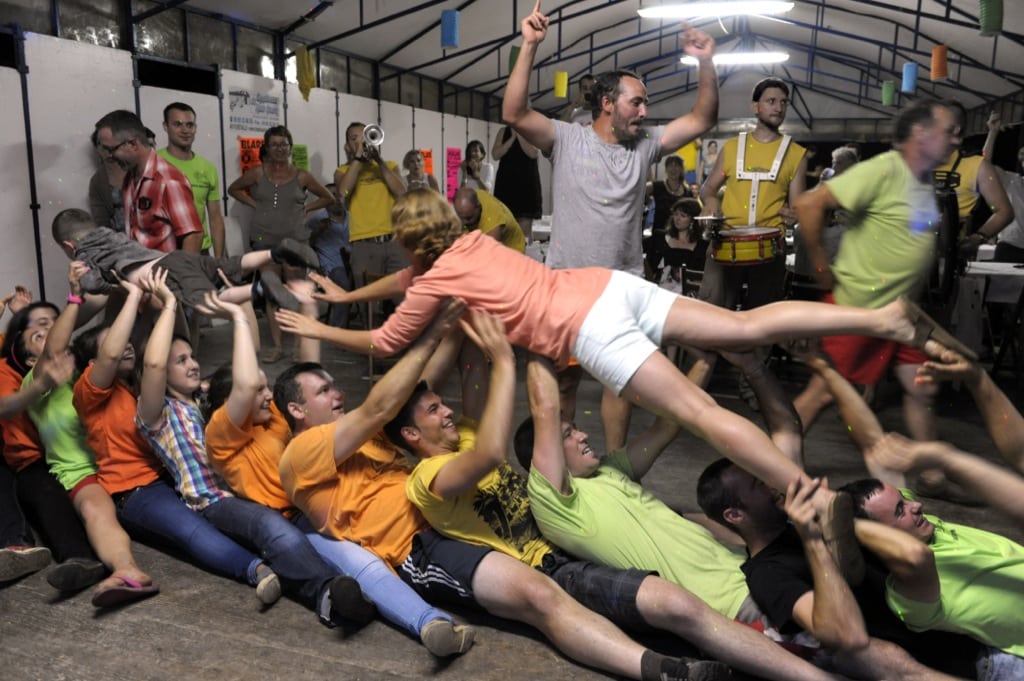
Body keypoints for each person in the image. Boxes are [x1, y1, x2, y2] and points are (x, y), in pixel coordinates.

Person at [278, 188, 972, 525]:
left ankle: (803, 490)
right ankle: (878, 316)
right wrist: (348, 291)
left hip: (586, 329)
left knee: (699, 411)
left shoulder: (436, 277)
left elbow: (385, 341)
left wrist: (323, 323)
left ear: (410, 240)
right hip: (605, 285)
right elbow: (406, 279)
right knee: (745, 325)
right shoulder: (473, 241)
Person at [277, 303, 728, 681]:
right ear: (297, 410)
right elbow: (384, 405)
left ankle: (708, 630)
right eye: (324, 391)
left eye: (334, 386)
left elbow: (421, 390)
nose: (338, 394)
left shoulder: (372, 437)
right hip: (420, 546)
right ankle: (662, 670)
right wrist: (439, 327)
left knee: (592, 575)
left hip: (459, 518)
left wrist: (463, 318)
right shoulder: (301, 453)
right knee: (540, 596)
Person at [388, 315, 847, 681]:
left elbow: (473, 374)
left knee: (694, 526)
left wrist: (465, 313)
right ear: (411, 434)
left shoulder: (599, 469)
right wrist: (525, 334)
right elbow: (523, 427)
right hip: (543, 568)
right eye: (433, 409)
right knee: (664, 601)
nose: (447, 410)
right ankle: (664, 667)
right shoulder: (431, 477)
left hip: (590, 556)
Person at [200, 294, 474, 657]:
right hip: (293, 517)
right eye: (258, 390)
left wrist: (309, 310)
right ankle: (412, 618)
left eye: (268, 389)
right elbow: (249, 383)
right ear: (231, 402)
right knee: (351, 562)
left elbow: (305, 379)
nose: (265, 393)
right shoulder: (222, 437)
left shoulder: (275, 418)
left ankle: (365, 603)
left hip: (318, 499)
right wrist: (237, 314)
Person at [502, 2, 719, 452]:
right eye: (636, 102)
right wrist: (529, 45)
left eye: (645, 103)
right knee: (564, 383)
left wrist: (705, 62)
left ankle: (616, 469)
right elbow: (515, 113)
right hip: (566, 287)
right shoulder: (567, 139)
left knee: (620, 385)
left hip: (622, 287)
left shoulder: (647, 145)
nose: (644, 110)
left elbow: (703, 119)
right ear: (607, 104)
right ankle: (560, 463)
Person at [135, 268, 374, 628]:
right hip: (215, 501)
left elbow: (260, 372)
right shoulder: (156, 413)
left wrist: (245, 301)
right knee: (269, 525)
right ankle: (328, 595)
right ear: (160, 375)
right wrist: (169, 303)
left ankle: (362, 582)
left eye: (192, 356)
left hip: (249, 491)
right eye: (181, 361)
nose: (193, 364)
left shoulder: (209, 398)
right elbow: (154, 362)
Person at [70, 278, 281, 603]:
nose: (125, 345)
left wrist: (175, 298)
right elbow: (122, 358)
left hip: (172, 478)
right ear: (91, 365)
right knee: (192, 530)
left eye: (126, 340)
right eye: (116, 341)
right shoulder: (89, 395)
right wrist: (136, 295)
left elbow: (165, 354)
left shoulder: (141, 387)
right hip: (137, 490)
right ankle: (255, 569)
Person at [792, 99, 971, 458]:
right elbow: (809, 204)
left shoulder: (922, 179)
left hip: (901, 311)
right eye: (949, 131)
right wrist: (822, 268)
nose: (956, 140)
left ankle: (931, 472)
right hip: (861, 305)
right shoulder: (885, 169)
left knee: (922, 387)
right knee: (823, 392)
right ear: (921, 132)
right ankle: (764, 468)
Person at [21, 263, 160, 607]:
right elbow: (54, 349)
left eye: (50, 329)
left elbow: (113, 336)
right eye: (37, 337)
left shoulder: (93, 373)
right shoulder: (36, 385)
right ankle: (128, 571)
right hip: (84, 473)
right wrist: (73, 297)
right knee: (95, 510)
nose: (50, 336)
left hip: (128, 463)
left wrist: (125, 284)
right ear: (29, 362)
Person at [840, 474, 1024, 675]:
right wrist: (849, 525)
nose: (916, 505)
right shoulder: (909, 593)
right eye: (900, 511)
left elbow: (887, 468)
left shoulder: (923, 526)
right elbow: (918, 556)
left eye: (904, 498)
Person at [1, 302, 108, 592]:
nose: (47, 330)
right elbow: (5, 406)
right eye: (37, 329)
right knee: (41, 489)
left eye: (52, 323)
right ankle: (71, 556)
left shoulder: (78, 362)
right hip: (27, 458)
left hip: (81, 458)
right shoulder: (13, 370)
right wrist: (40, 384)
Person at [52, 208, 313, 314]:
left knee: (208, 302)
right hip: (177, 257)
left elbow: (94, 284)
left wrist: (92, 283)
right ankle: (275, 253)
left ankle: (260, 290)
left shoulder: (83, 254)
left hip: (163, 272)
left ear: (68, 245)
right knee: (232, 264)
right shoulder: (110, 233)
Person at [697, 77, 806, 330]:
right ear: (756, 107)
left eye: (783, 102)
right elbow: (708, 189)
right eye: (771, 101)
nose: (778, 107)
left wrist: (794, 215)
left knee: (763, 324)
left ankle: (757, 358)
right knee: (712, 319)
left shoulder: (796, 154)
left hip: (770, 248)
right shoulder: (733, 148)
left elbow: (798, 207)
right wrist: (711, 202)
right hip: (725, 244)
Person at [228, 125, 333, 363]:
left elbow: (328, 197)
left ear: (290, 147)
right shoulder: (257, 173)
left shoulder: (302, 176)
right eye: (274, 144)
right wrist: (255, 205)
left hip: (295, 242)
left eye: (284, 144)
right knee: (271, 294)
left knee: (298, 292)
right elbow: (233, 189)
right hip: (264, 241)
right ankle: (277, 346)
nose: (279, 149)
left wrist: (307, 208)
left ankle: (297, 346)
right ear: (267, 148)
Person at [93, 109, 204, 253]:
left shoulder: (168, 181)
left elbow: (193, 237)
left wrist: (179, 268)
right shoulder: (130, 177)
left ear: (133, 144)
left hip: (165, 267)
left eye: (111, 149)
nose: (109, 156)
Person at [333, 121, 407, 302]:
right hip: (364, 245)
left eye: (364, 136)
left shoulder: (390, 165)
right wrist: (358, 158)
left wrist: (379, 161)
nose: (361, 142)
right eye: (354, 139)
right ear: (347, 146)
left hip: (394, 241)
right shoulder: (342, 171)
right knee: (370, 306)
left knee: (404, 301)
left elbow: (401, 192)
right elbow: (343, 193)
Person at [157, 102, 227, 257]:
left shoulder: (208, 169)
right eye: (177, 124)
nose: (185, 130)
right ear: (165, 126)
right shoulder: (154, 163)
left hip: (200, 253)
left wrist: (218, 260)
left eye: (190, 125)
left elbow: (215, 219)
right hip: (164, 252)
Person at [304, 183, 351, 327]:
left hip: (356, 264)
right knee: (343, 286)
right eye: (331, 195)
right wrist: (317, 232)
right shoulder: (316, 221)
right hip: (333, 268)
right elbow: (305, 246)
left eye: (338, 195)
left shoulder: (354, 217)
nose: (336, 199)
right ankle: (337, 329)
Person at [491, 126, 542, 242]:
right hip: (506, 184)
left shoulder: (531, 130)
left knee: (525, 231)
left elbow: (533, 153)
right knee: (505, 229)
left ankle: (525, 253)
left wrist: (519, 134)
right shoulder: (503, 131)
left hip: (526, 185)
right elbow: (495, 154)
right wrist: (511, 139)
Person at [644, 197, 707, 284]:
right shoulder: (659, 237)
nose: (677, 218)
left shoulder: (702, 246)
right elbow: (647, 263)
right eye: (676, 214)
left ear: (692, 220)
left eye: (683, 216)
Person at [451, 187, 526, 253]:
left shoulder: (493, 224)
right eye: (460, 217)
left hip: (513, 251)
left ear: (478, 207)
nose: (464, 222)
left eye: (468, 218)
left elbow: (487, 254)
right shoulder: (476, 196)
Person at [88, 129, 127, 234]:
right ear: (97, 149)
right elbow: (101, 221)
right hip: (119, 238)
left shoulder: (138, 168)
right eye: (104, 147)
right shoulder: (97, 181)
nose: (109, 152)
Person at [648, 155, 695, 234]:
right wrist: (647, 200)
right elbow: (638, 190)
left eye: (676, 165)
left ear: (681, 169)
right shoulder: (657, 186)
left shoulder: (687, 192)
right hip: (659, 234)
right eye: (670, 165)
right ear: (666, 169)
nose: (673, 168)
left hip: (679, 235)